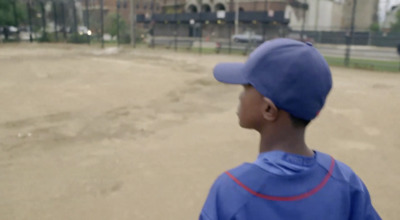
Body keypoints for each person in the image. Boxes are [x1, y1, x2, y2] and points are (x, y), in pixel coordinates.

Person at [199, 38, 381, 220]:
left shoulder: (231, 191)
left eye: (247, 87)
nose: (241, 96)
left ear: (269, 109)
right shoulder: (345, 183)